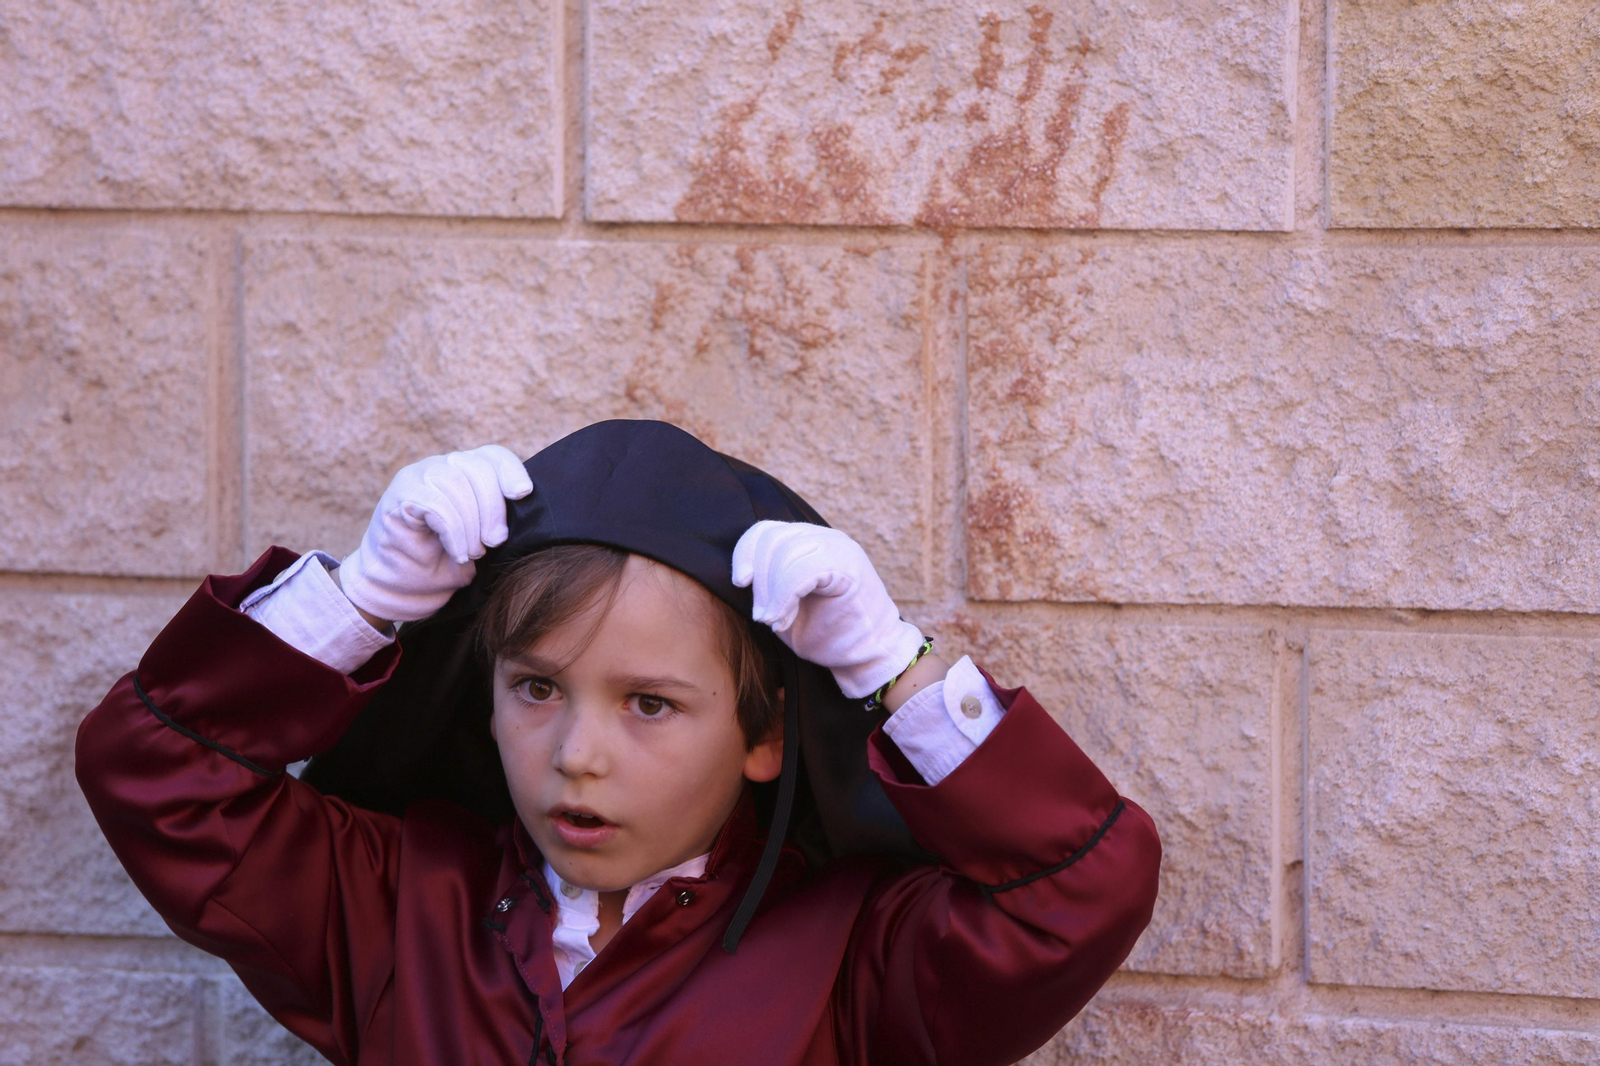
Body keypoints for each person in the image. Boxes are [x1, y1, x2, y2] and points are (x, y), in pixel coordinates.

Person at [76, 419, 1160, 1066]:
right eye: (538, 687)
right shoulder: (396, 905)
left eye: (649, 703)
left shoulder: (853, 955)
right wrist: (362, 598)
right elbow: (155, 772)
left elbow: (1080, 892)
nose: (577, 754)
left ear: (764, 737)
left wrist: (891, 668)